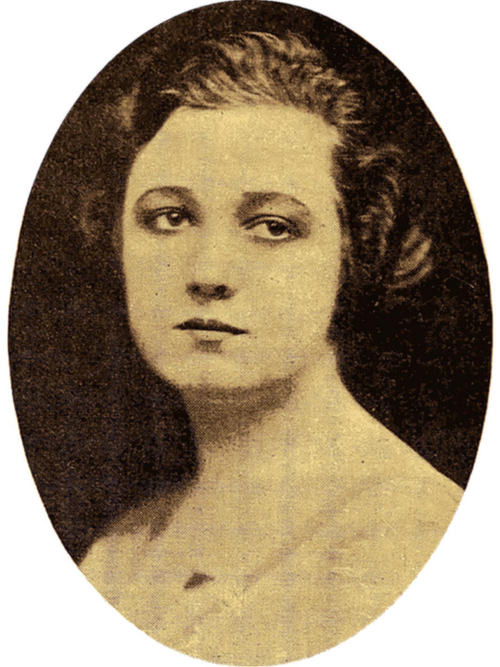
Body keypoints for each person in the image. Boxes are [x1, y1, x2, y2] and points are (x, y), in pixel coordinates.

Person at [79, 32, 462, 664]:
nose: (208, 272)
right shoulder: (116, 559)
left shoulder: (413, 541)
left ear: (357, 250)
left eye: (272, 226)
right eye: (170, 217)